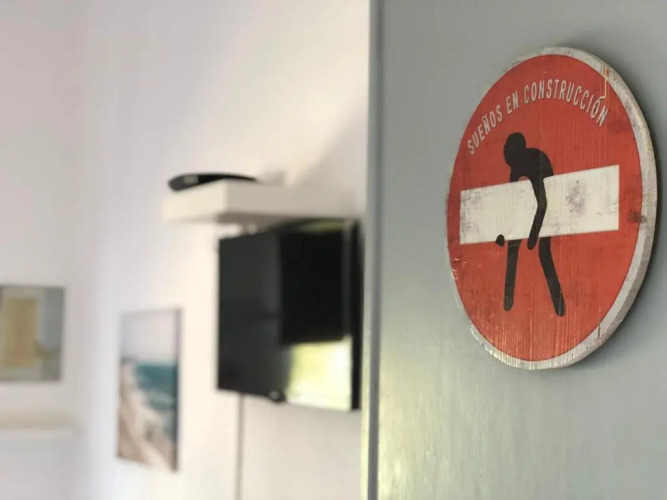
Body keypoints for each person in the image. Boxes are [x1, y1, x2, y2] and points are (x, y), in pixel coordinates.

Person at [496, 132, 565, 316]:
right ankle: (507, 306)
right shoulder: (516, 168)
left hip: (551, 208)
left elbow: (544, 204)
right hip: (530, 208)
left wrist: (533, 235)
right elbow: (512, 203)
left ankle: (560, 307)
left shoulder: (535, 162)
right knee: (513, 248)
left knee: (543, 252)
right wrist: (504, 232)